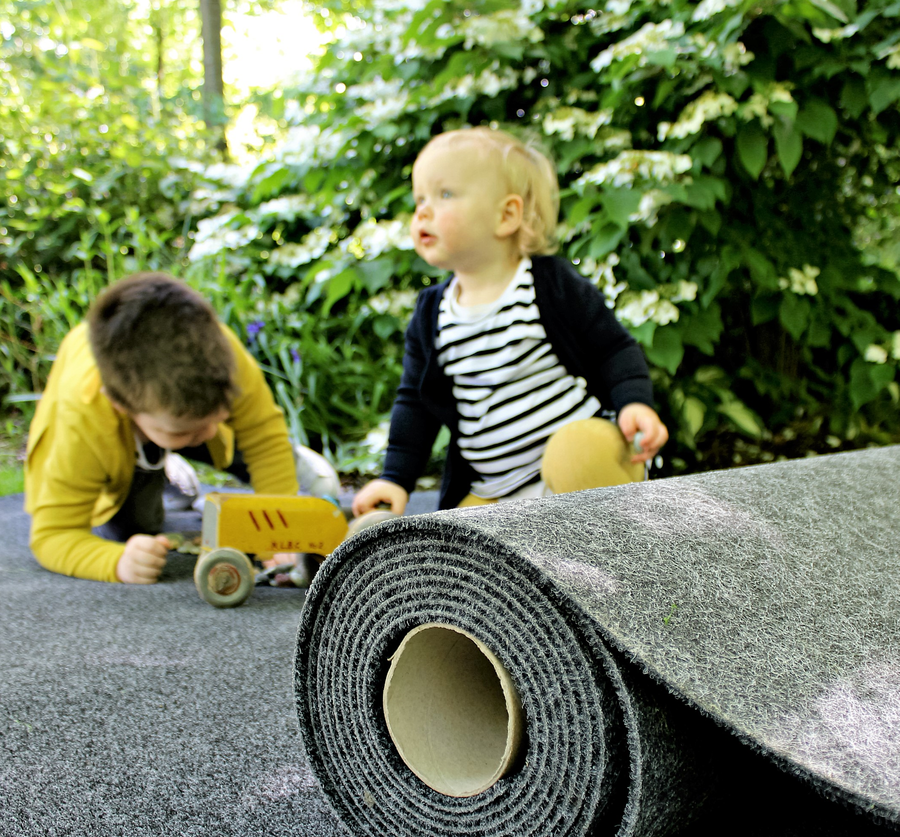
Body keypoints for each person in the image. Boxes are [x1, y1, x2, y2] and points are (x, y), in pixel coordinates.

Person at [352, 126, 668, 519]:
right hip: (498, 492)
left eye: (444, 194)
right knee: (446, 549)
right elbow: (414, 403)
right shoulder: (432, 313)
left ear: (507, 215)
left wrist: (634, 403)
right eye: (419, 198)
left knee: (576, 452)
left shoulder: (546, 284)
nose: (423, 211)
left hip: (584, 473)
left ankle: (618, 555)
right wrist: (395, 478)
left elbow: (612, 348)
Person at [24, 272, 300, 585]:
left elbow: (264, 439)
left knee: (280, 465)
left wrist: (281, 533)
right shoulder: (81, 418)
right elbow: (52, 536)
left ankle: (170, 446)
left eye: (219, 416)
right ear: (121, 406)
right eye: (181, 433)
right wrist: (116, 562)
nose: (210, 433)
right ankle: (154, 465)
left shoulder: (221, 353)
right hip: (110, 438)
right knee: (138, 526)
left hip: (163, 420)